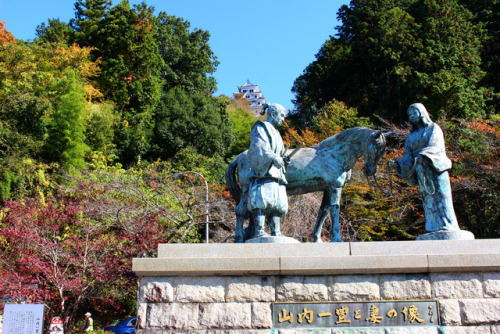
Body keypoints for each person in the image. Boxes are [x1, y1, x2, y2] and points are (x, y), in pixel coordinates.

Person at [391, 103, 460, 232]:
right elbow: (408, 155)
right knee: (427, 199)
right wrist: (399, 163)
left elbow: (436, 146)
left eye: (414, 113)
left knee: (442, 196)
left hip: (434, 166)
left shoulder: (433, 128)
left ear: (422, 113)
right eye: (409, 114)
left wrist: (424, 155)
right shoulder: (411, 135)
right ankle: (433, 226)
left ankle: (448, 224)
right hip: (420, 169)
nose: (412, 116)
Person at [247, 103, 288, 238]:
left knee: (277, 203)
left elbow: (280, 152)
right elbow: (259, 147)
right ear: (272, 114)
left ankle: (276, 230)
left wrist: (283, 159)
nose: (283, 119)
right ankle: (259, 230)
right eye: (281, 115)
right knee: (261, 200)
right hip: (263, 172)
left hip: (276, 173)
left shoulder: (276, 132)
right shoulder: (260, 127)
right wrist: (273, 157)